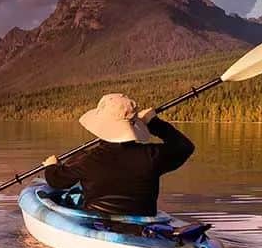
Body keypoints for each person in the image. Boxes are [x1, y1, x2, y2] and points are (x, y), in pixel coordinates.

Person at [42, 93, 194, 217]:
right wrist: (155, 123)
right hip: (143, 224)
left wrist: (51, 166)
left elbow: (57, 181)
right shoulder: (152, 155)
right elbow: (185, 147)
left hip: (99, 223)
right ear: (132, 125)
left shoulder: (87, 159)